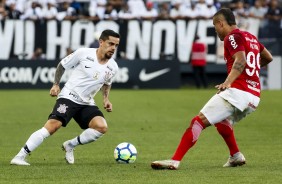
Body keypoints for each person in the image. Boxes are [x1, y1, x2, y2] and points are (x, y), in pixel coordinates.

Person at [151, 8, 273, 170]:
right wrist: (251, 73)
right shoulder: (250, 37)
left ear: (221, 23)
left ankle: (175, 160)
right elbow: (268, 57)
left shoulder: (232, 37)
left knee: (197, 122)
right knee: (222, 122)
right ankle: (236, 155)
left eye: (215, 26)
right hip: (253, 97)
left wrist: (228, 82)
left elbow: (241, 59)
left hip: (237, 92)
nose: (215, 30)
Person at [10, 29, 120, 166]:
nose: (113, 48)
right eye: (111, 44)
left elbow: (107, 83)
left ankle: (70, 145)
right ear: (101, 42)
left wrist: (105, 99)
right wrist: (56, 84)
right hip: (69, 96)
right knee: (53, 126)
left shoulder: (113, 67)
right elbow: (62, 65)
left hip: (86, 102)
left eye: (116, 45)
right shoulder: (84, 53)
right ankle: (20, 156)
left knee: (101, 127)